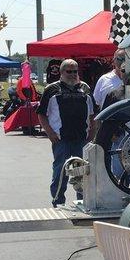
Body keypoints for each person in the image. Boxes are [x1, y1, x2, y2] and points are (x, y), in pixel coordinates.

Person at [36, 59, 95, 207]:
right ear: (61, 72)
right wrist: (49, 133)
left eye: (75, 71)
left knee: (82, 172)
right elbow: (41, 114)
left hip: (82, 139)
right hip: (61, 139)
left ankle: (83, 200)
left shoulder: (85, 88)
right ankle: (58, 200)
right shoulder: (51, 89)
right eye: (69, 71)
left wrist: (93, 131)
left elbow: (93, 114)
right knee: (60, 172)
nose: (72, 74)